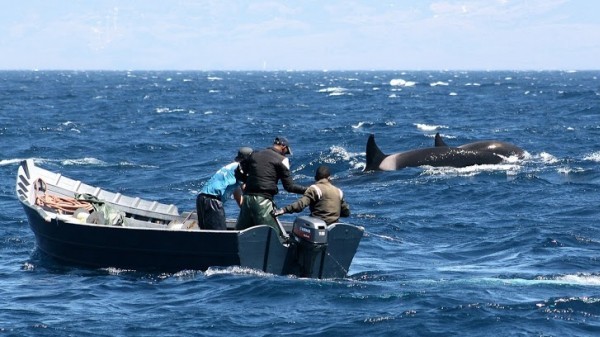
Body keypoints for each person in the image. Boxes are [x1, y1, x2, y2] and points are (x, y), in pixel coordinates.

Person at [235, 136, 307, 233]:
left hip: (247, 199)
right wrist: (308, 190)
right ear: (283, 147)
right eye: (286, 151)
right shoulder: (282, 159)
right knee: (273, 234)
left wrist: (248, 182)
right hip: (262, 202)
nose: (286, 154)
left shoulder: (255, 154)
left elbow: (238, 172)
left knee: (241, 233)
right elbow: (289, 187)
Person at [196, 147, 253, 230]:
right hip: (212, 201)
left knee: (206, 233)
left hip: (201, 199)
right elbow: (246, 190)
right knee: (219, 234)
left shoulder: (231, 168)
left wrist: (246, 211)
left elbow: (237, 194)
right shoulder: (241, 168)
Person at [272, 165, 350, 225]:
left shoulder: (315, 189)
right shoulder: (338, 191)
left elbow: (300, 205)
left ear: (315, 178)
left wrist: (283, 210)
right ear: (329, 178)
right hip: (333, 227)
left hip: (319, 225)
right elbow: (346, 212)